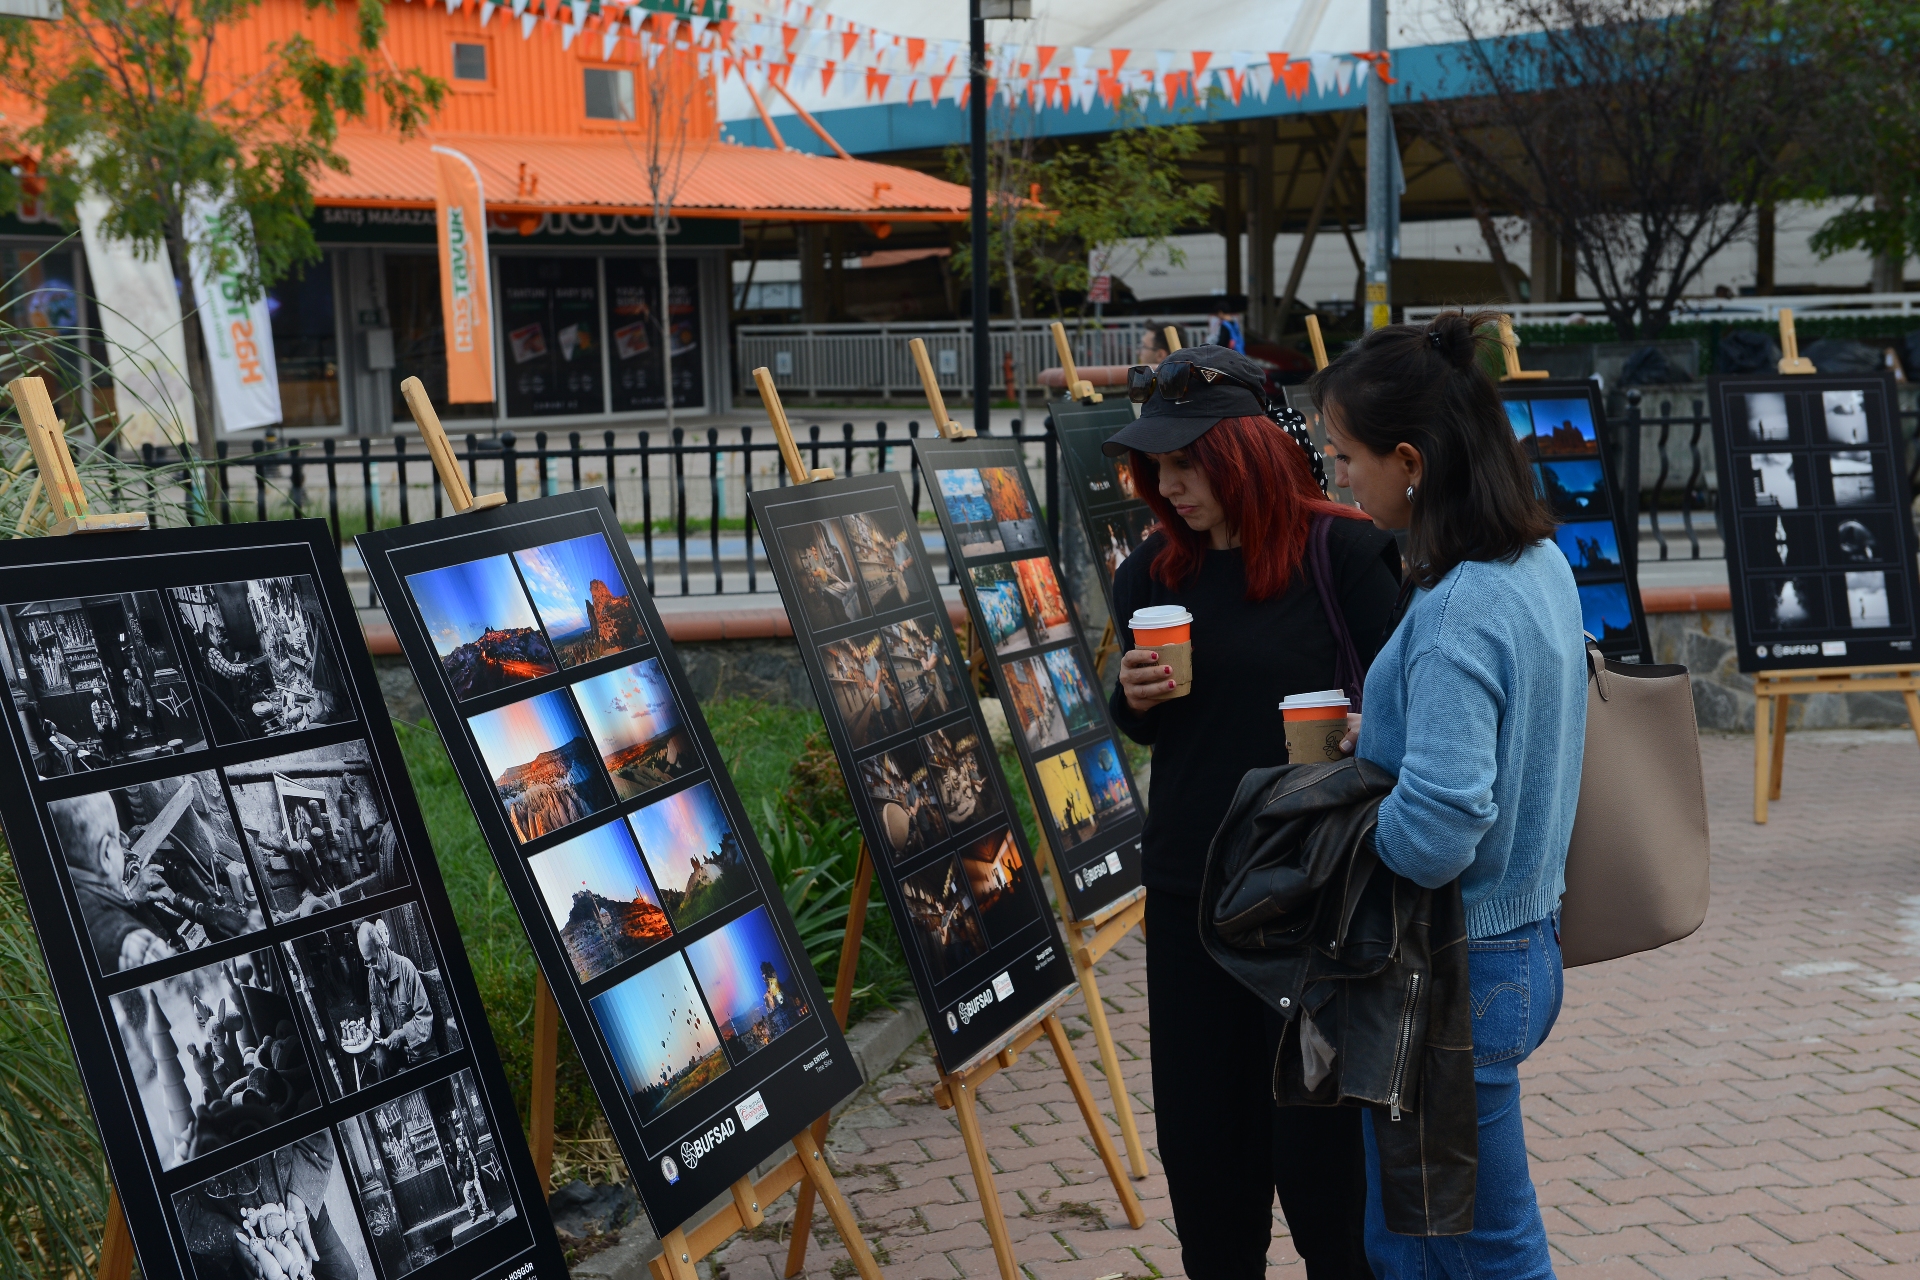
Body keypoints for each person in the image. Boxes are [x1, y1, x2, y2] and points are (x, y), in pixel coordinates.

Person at [1102, 344, 1402, 1279]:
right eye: (1158, 466)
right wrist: (1133, 698)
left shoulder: (1344, 553)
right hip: (1192, 888)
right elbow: (1147, 730)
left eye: (1190, 464)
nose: (1169, 484)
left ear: (1246, 455)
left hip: (1312, 896)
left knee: (1323, 1170)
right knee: (1206, 1157)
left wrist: (1361, 731)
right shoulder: (1152, 574)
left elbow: (1404, 712)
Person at [1311, 310, 1585, 1279]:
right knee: (1426, 1241)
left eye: (1344, 454)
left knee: (1475, 1250)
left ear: (1411, 459)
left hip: (1455, 966)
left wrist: (1343, 823)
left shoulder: (1461, 604)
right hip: (1519, 941)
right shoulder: (1536, 562)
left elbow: (1440, 825)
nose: (1337, 475)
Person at [360, 917, 439, 1080]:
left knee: (427, 1095)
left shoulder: (406, 968)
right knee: (381, 1058)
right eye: (367, 963)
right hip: (397, 1050)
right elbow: (375, 1005)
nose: (371, 967)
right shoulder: (372, 975)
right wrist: (375, 1019)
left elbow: (425, 1020)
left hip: (420, 1052)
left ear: (382, 948)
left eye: (373, 961)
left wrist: (401, 1034)